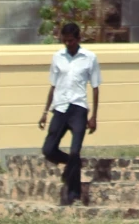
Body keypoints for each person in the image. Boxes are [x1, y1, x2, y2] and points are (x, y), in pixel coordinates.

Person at [36, 20, 100, 206]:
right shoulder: (58, 57)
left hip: (79, 108)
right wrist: (44, 112)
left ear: (78, 39)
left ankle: (74, 194)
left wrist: (94, 116)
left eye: (71, 40)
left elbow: (95, 87)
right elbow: (53, 85)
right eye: (65, 41)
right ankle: (74, 166)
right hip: (60, 107)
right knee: (48, 149)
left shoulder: (89, 58)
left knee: (74, 151)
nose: (68, 44)